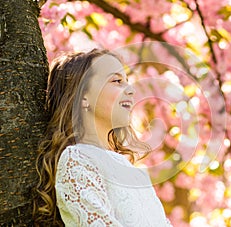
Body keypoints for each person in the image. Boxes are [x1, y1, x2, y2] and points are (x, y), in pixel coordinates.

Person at [33, 49, 173, 226]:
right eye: (116, 81)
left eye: (127, 81)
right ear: (83, 97)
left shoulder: (135, 173)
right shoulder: (77, 159)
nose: (130, 89)